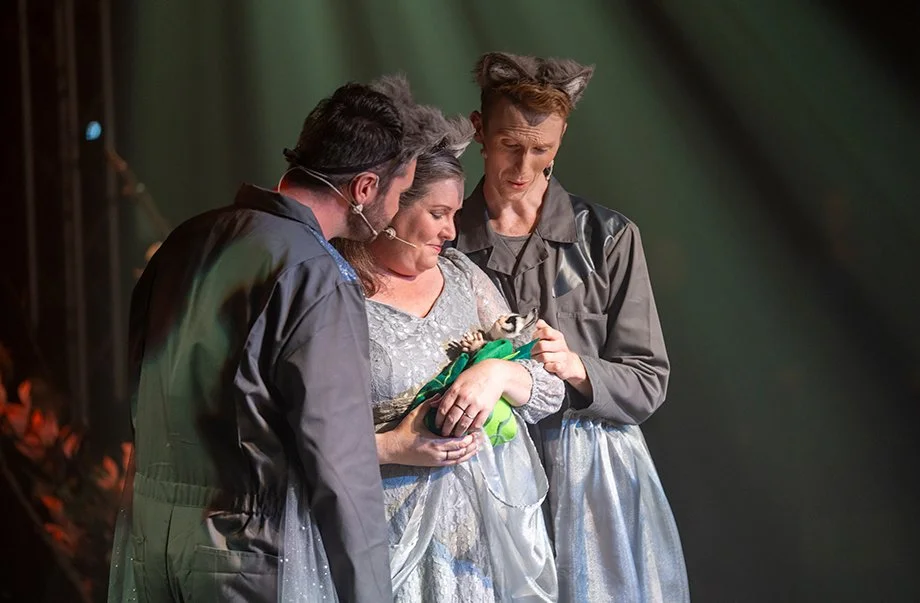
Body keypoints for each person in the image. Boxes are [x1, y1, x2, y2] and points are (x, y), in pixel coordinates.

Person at [109, 80, 431, 603]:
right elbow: (340, 462)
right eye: (399, 194)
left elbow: (139, 381)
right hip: (244, 552)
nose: (395, 212)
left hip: (148, 538)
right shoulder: (317, 274)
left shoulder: (184, 240)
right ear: (365, 188)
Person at [453, 51, 691, 602]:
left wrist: (577, 367)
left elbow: (647, 382)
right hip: (481, 478)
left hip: (589, 484)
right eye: (510, 145)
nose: (524, 166)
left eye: (542, 150)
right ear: (479, 130)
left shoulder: (607, 237)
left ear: (561, 140)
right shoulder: (444, 239)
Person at [334, 76, 563, 602]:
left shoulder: (461, 276)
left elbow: (548, 387)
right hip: (382, 534)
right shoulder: (336, 290)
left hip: (474, 543)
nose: (450, 232)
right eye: (438, 214)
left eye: (455, 215)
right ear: (390, 206)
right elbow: (303, 434)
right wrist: (393, 446)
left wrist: (496, 373)